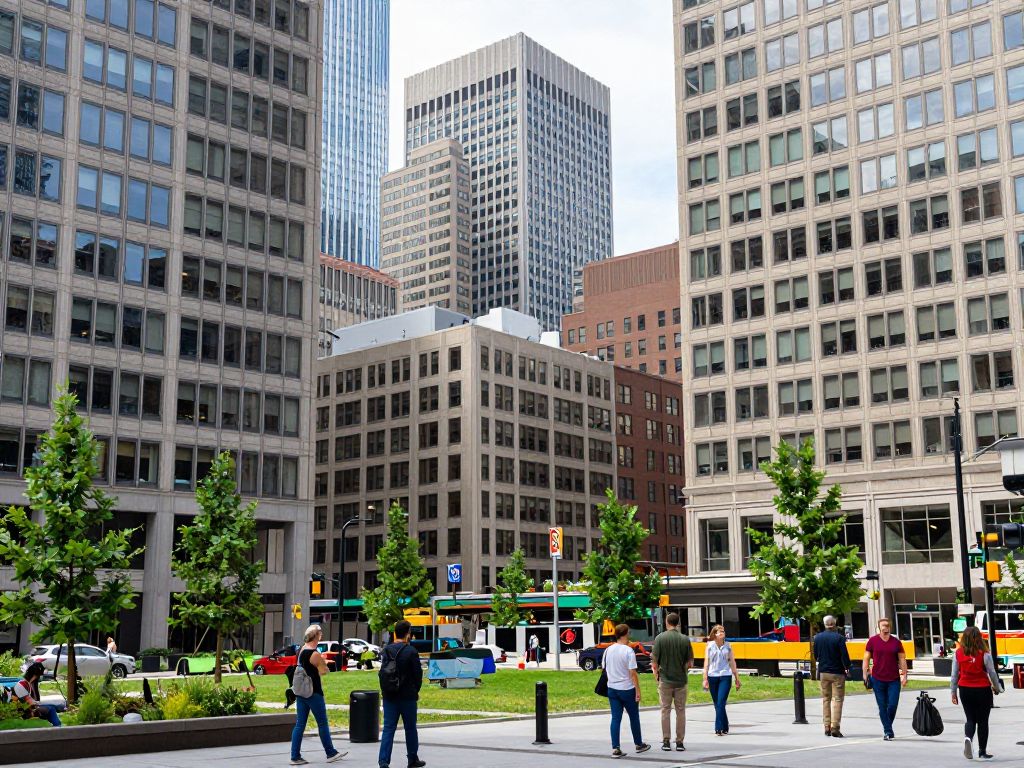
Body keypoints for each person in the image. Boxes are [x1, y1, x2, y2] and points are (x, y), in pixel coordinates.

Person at [289, 625, 346, 765]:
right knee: (322, 723)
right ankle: (330, 753)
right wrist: (324, 664)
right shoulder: (314, 654)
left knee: (300, 724)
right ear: (317, 636)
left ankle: (295, 756)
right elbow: (323, 671)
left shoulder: (302, 650)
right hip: (313, 692)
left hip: (301, 692)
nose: (321, 635)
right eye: (320, 633)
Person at [378, 620, 425, 768]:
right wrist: (415, 690)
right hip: (407, 696)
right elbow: (418, 674)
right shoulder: (411, 651)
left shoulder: (386, 650)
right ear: (408, 634)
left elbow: (383, 672)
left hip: (389, 695)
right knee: (410, 728)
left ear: (394, 633)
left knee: (388, 728)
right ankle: (412, 759)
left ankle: (383, 761)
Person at [951, 626, 1001, 760]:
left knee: (970, 719)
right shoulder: (984, 654)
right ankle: (982, 751)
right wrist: (997, 687)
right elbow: (992, 673)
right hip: (982, 690)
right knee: (983, 721)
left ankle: (968, 738)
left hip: (965, 689)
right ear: (979, 637)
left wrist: (953, 692)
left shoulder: (958, 654)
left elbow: (954, 675)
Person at [603, 623, 651, 758]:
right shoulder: (628, 651)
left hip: (612, 688)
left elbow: (604, 669)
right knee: (634, 716)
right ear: (625, 634)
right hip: (627, 688)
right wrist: (638, 690)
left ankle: (616, 747)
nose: (630, 635)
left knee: (615, 718)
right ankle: (638, 744)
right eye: (629, 633)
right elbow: (633, 673)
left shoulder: (608, 650)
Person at [651, 612, 692, 752]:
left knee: (665, 710)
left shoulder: (660, 638)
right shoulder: (685, 639)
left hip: (665, 680)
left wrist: (656, 674)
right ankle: (680, 742)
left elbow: (655, 662)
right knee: (680, 711)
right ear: (678, 623)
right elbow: (690, 662)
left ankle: (666, 741)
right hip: (681, 680)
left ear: (667, 622)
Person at [863, 617, 907, 741]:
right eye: (883, 625)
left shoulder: (896, 642)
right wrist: (864, 674)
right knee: (882, 706)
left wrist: (905, 675)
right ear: (879, 627)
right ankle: (888, 731)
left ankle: (888, 727)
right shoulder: (872, 641)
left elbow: (902, 659)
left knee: (892, 705)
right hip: (877, 678)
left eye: (887, 625)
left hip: (893, 679)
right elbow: (866, 658)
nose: (885, 627)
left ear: (890, 627)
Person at [812, 615, 851, 737]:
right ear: (835, 624)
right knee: (838, 699)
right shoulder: (839, 638)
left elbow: (816, 655)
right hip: (837, 672)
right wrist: (847, 667)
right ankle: (835, 727)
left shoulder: (817, 638)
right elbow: (844, 656)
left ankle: (826, 726)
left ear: (824, 624)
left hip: (824, 672)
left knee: (826, 699)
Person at [702, 625, 740, 736]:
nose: (722, 633)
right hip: (712, 676)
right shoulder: (709, 646)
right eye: (719, 632)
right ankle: (725, 725)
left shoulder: (728, 646)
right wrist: (705, 678)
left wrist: (737, 678)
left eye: (723, 631)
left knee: (721, 702)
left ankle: (718, 727)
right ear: (714, 634)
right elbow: (706, 663)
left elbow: (732, 662)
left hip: (725, 676)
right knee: (717, 704)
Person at [12, 662, 62, 727]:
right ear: (34, 675)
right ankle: (58, 727)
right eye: (38, 676)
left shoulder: (27, 684)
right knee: (51, 708)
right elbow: (31, 703)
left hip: (28, 708)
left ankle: (56, 727)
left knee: (52, 708)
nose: (38, 678)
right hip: (24, 712)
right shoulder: (22, 685)